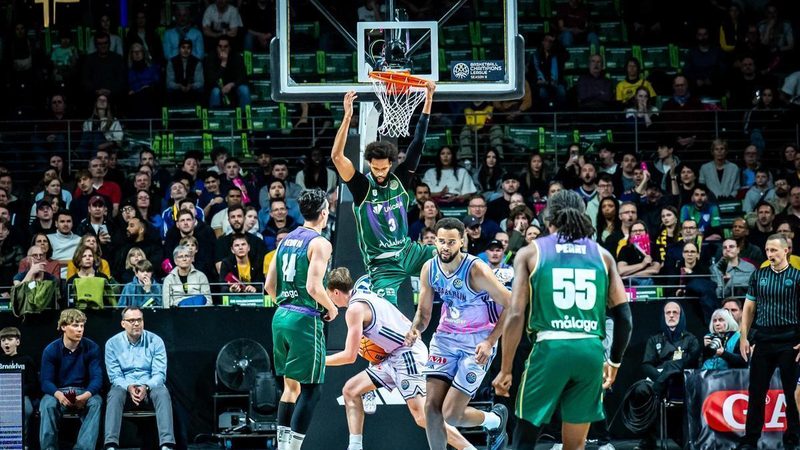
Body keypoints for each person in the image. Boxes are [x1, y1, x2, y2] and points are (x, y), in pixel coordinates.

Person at [491, 190, 631, 450]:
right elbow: (624, 318)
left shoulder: (531, 253)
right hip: (590, 350)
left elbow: (516, 314)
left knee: (524, 440)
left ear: (547, 219)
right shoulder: (603, 255)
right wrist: (613, 361)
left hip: (550, 348)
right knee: (575, 445)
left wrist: (506, 369)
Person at [324, 267, 473, 450]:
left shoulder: (354, 310)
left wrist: (319, 361)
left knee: (422, 417)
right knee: (351, 390)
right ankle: (355, 447)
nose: (329, 299)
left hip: (407, 352)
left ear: (336, 291)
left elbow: (349, 356)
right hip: (392, 354)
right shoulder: (363, 294)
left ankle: (467, 448)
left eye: (329, 294)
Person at [405, 217, 512, 450]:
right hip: (445, 338)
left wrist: (490, 341)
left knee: (451, 415)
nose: (445, 246)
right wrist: (414, 329)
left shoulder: (477, 270)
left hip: (476, 343)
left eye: (451, 242)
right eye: (441, 241)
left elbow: (512, 305)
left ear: (462, 241)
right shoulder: (429, 268)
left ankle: (494, 420)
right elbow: (423, 315)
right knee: (431, 409)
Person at [330, 83, 435, 306]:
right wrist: (348, 116)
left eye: (384, 168)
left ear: (391, 164)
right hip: (382, 265)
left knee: (454, 256)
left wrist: (428, 99)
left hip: (409, 251)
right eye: (375, 168)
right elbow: (337, 157)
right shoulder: (362, 187)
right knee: (386, 315)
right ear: (369, 164)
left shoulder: (400, 178)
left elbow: (418, 142)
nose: (379, 173)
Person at [265, 189, 337, 450]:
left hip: (281, 316)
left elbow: (269, 285)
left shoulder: (286, 240)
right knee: (312, 390)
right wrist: (332, 308)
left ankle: (283, 447)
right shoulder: (320, 243)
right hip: (304, 321)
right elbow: (314, 287)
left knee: (290, 388)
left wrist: (287, 305)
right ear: (324, 212)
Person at [737, 234, 800, 450]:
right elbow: (748, 308)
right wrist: (744, 336)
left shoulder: (798, 276)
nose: (770, 254)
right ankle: (751, 438)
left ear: (786, 251)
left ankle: (793, 435)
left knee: (792, 392)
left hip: (790, 340)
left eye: (774, 250)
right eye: (767, 250)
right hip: (763, 339)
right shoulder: (758, 275)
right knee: (756, 391)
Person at [103, 307, 173, 450]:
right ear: (123, 324)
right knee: (115, 393)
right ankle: (111, 445)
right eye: (132, 320)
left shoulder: (156, 341)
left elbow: (160, 374)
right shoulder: (112, 344)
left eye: (139, 320)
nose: (136, 324)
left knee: (162, 392)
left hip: (149, 387)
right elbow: (115, 375)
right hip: (125, 389)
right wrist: (129, 387)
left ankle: (167, 444)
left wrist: (146, 387)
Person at [39, 309, 103, 450]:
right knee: (47, 404)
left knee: (96, 402)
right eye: (75, 325)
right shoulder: (51, 350)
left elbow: (97, 378)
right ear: (63, 327)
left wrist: (86, 396)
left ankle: (83, 448)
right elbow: (45, 381)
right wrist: (59, 395)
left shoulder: (92, 348)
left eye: (82, 326)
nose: (79, 330)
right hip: (58, 392)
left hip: (83, 391)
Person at [0, 327, 38, 445]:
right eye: (3, 340)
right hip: (2, 396)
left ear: (17, 342)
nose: (6, 342)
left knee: (25, 409)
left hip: (21, 396)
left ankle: (23, 444)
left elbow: (33, 384)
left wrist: (17, 391)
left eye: (10, 339)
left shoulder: (26, 360)